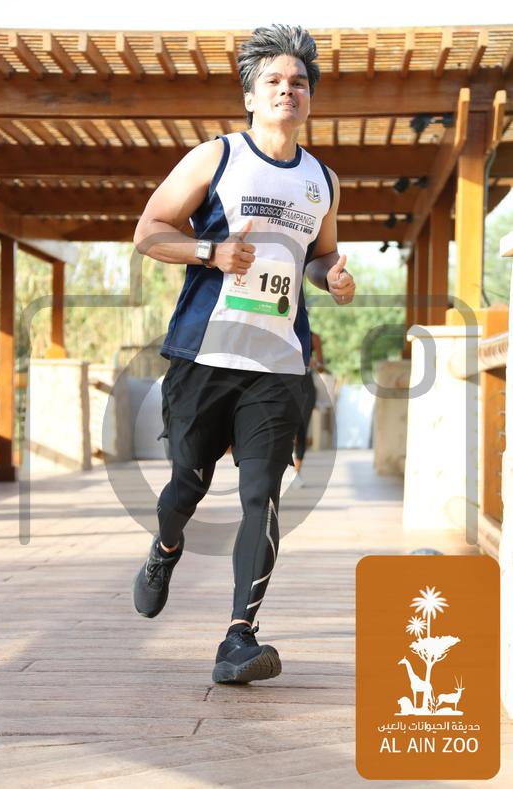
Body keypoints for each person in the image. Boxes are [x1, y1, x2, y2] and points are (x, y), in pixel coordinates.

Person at [131, 23, 356, 684]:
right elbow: (149, 232)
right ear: (251, 97)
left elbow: (320, 259)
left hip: (279, 364)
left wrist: (334, 277)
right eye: (274, 81)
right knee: (187, 484)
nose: (288, 90)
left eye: (299, 82)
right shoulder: (218, 157)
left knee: (263, 494)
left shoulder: (322, 180)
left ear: (309, 98)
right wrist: (212, 251)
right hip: (205, 354)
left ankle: (239, 637)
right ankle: (166, 545)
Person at [292, 330, 327, 487]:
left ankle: (296, 473)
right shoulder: (282, 329)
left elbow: (321, 367)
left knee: (301, 429)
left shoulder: (313, 337)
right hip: (285, 383)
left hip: (305, 385)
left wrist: (314, 363)